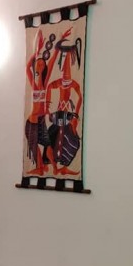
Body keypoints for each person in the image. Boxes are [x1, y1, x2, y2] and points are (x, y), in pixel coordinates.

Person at [24, 27, 72, 176]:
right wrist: (36, 52)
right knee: (35, 144)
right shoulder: (34, 84)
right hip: (32, 120)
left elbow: (52, 60)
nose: (40, 64)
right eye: (38, 63)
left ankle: (53, 168)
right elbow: (27, 68)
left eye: (42, 63)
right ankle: (41, 168)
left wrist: (60, 40)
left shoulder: (44, 84)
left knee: (46, 143)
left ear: (44, 67)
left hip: (39, 121)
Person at [45, 37, 83, 176]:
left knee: (71, 141)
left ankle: (63, 165)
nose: (65, 83)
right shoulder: (59, 83)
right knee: (51, 140)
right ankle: (55, 166)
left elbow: (80, 98)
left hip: (67, 115)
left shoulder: (73, 84)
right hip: (59, 114)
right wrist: (47, 108)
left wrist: (76, 115)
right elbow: (49, 87)